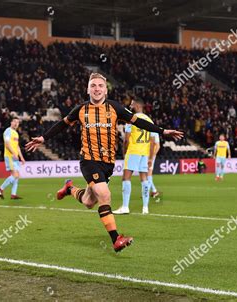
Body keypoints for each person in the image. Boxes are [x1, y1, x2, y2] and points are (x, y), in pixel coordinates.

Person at [25, 73, 183, 252]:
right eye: (93, 86)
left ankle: (69, 188)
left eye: (100, 85)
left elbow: (138, 122)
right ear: (88, 89)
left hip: (108, 163)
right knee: (105, 195)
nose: (97, 89)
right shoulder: (80, 109)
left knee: (89, 201)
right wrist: (43, 138)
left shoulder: (115, 108)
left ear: (106, 90)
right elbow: (62, 124)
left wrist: (162, 131)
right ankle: (116, 239)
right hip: (89, 160)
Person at [114, 99, 159, 215]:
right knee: (144, 179)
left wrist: (124, 153)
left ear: (138, 105)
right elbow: (153, 141)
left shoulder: (131, 119)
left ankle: (125, 207)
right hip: (144, 153)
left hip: (133, 151)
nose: (131, 105)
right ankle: (145, 208)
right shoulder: (149, 120)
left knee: (126, 178)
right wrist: (150, 157)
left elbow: (127, 139)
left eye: (133, 103)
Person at [0, 118, 26, 200]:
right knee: (15, 175)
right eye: (15, 122)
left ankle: (13, 194)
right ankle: (0, 189)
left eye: (18, 122)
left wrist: (22, 157)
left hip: (15, 158)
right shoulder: (8, 131)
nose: (16, 123)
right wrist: (13, 153)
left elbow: (17, 146)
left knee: (17, 176)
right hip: (9, 156)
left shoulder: (16, 133)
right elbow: (7, 143)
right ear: (11, 122)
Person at [148, 132, 161, 198]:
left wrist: (152, 156)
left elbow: (158, 146)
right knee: (145, 174)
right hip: (144, 154)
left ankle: (152, 191)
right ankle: (154, 191)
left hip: (150, 156)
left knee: (148, 174)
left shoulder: (154, 132)